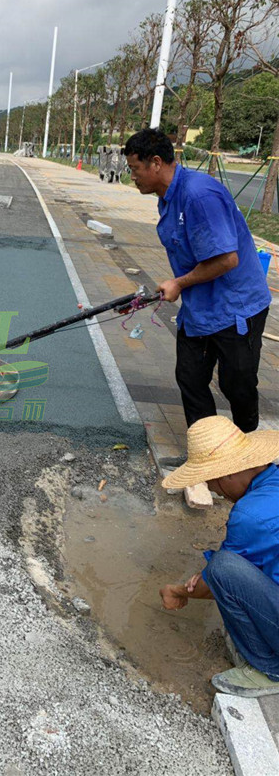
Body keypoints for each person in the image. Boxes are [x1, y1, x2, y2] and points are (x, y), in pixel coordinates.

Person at [125, 129, 271, 433]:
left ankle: (249, 453)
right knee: (190, 378)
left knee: (237, 385)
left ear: (155, 163)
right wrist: (180, 285)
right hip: (200, 308)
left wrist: (179, 283)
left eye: (134, 169)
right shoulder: (168, 198)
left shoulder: (199, 195)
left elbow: (227, 259)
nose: (132, 177)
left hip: (235, 307)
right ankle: (206, 452)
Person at [159, 415, 279, 697]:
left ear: (227, 473)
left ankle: (270, 669)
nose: (217, 493)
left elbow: (219, 579)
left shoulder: (249, 516)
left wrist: (177, 591)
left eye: (214, 487)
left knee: (222, 570)